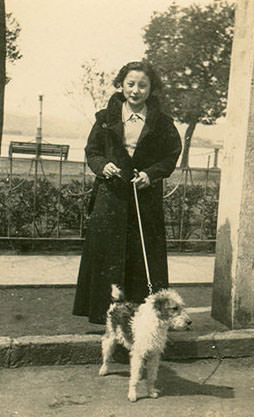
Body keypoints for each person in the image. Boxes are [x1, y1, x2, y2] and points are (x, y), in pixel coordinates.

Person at [73, 61, 182, 324]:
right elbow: (92, 151)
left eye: (142, 85)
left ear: (151, 88)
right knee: (107, 255)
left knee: (142, 258)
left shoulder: (163, 123)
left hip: (144, 200)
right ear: (121, 85)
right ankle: (105, 315)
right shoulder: (104, 118)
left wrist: (151, 174)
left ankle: (143, 318)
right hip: (110, 198)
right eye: (130, 84)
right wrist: (103, 166)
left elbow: (171, 155)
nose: (136, 90)